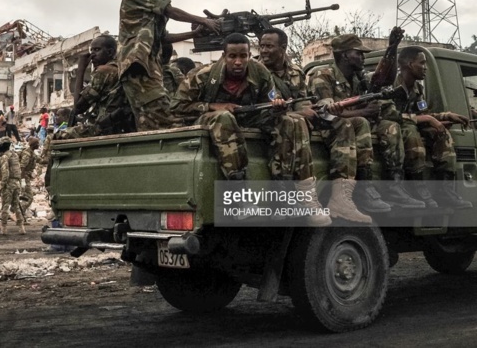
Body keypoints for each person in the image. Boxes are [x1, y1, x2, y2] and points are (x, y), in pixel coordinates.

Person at [171, 33, 332, 226]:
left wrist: (277, 106)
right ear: (224, 56)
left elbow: (271, 100)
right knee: (224, 117)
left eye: (243, 56)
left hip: (250, 117)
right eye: (232, 57)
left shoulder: (260, 72)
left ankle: (296, 195)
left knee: (291, 121)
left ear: (249, 55)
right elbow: (176, 107)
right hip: (210, 119)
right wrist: (212, 106)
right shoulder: (203, 75)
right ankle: (240, 196)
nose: (238, 62)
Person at [260, 28, 390, 216]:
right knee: (293, 122)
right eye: (262, 46)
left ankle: (346, 194)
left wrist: (310, 110)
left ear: (283, 47)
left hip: (305, 118)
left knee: (352, 123)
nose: (264, 50)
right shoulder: (257, 71)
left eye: (269, 46)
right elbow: (261, 104)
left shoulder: (295, 71)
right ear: (345, 55)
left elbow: (306, 101)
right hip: (275, 122)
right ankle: (290, 193)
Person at [308, 33, 424, 209]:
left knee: (391, 127)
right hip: (332, 128)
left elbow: (385, 79)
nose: (363, 57)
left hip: (355, 124)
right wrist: (363, 111)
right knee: (361, 122)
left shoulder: (359, 78)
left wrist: (391, 50)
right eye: (358, 53)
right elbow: (326, 113)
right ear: (345, 54)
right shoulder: (323, 76)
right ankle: (364, 187)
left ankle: (395, 186)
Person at [117, 0, 221, 131]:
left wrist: (193, 34)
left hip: (149, 62)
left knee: (151, 118)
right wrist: (203, 20)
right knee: (163, 113)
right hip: (137, 60)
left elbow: (163, 37)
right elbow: (170, 11)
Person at [393, 46, 472, 208]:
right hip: (393, 128)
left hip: (409, 124)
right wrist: (427, 118)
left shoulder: (417, 88)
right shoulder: (391, 86)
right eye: (422, 63)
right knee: (410, 130)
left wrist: (445, 117)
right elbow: (388, 115)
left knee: (440, 132)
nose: (425, 68)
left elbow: (423, 112)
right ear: (409, 64)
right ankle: (418, 188)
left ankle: (445, 189)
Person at [0, 136, 25, 235]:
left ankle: (3, 228)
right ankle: (21, 227)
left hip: (8, 183)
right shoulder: (14, 155)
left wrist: (1, 187)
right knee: (16, 205)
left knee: (5, 206)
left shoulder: (4, 157)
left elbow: (5, 173)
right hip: (16, 183)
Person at [19, 137, 40, 222]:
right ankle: (19, 214)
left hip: (26, 177)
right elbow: (22, 168)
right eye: (37, 144)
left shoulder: (32, 153)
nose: (39, 145)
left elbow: (40, 160)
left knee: (25, 198)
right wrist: (23, 180)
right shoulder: (27, 154)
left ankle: (20, 216)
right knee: (29, 197)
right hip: (24, 177)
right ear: (34, 145)